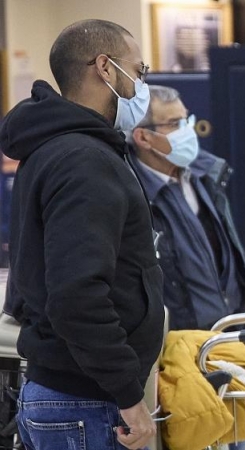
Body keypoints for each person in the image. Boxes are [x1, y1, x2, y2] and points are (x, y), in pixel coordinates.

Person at [0, 19, 163, 450]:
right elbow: (77, 294)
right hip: (85, 404)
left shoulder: (56, 149)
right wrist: (129, 396)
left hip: (69, 399)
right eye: (139, 71)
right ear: (106, 68)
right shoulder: (84, 160)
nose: (142, 86)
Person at [127, 85, 245, 331]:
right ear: (143, 137)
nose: (187, 131)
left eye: (187, 120)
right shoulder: (131, 194)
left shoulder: (206, 176)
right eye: (174, 124)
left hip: (228, 335)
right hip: (177, 346)